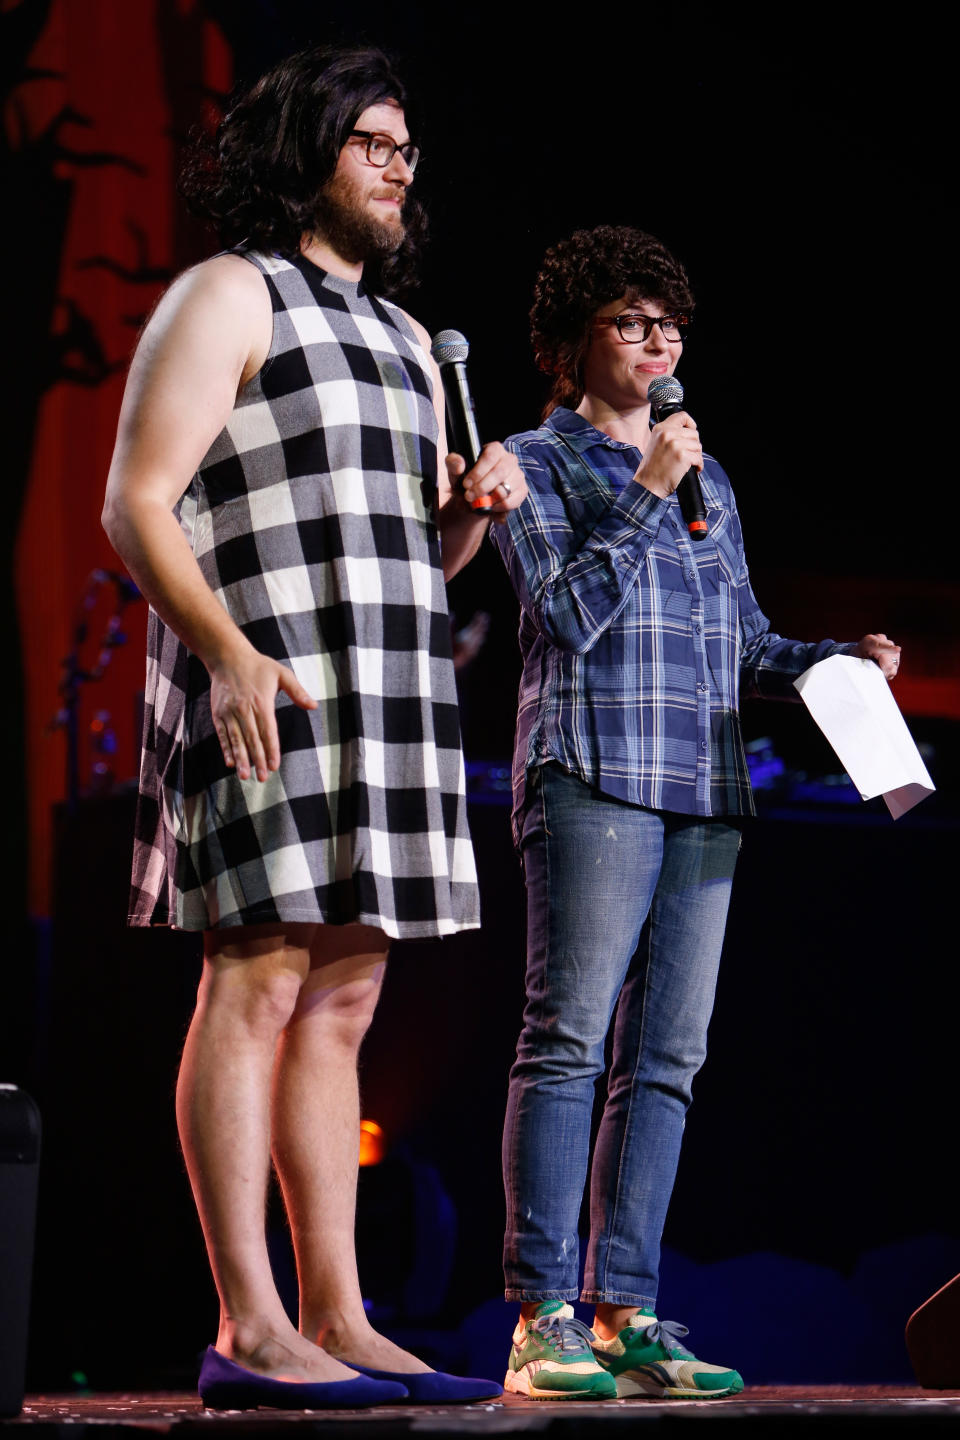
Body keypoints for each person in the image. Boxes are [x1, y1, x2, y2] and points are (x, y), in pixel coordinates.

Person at [101, 45, 524, 1411]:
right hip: (262, 690)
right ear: (307, 153)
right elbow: (138, 500)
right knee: (260, 978)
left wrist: (467, 518)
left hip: (386, 701)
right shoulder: (228, 292)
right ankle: (247, 1324)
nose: (402, 167)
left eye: (409, 148)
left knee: (344, 1004)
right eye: (375, 144)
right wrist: (221, 651)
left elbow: (407, 563)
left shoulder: (408, 340)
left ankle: (337, 1316)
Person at [488, 224, 901, 1402]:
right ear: (571, 346)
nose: (659, 342)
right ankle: (538, 1320)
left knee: (667, 1059)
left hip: (706, 789)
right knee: (568, 1042)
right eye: (630, 322)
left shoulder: (710, 477)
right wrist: (646, 490)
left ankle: (626, 1311)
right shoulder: (535, 460)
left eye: (668, 324)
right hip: (595, 775)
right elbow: (566, 615)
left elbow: (745, 641)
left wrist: (840, 661)